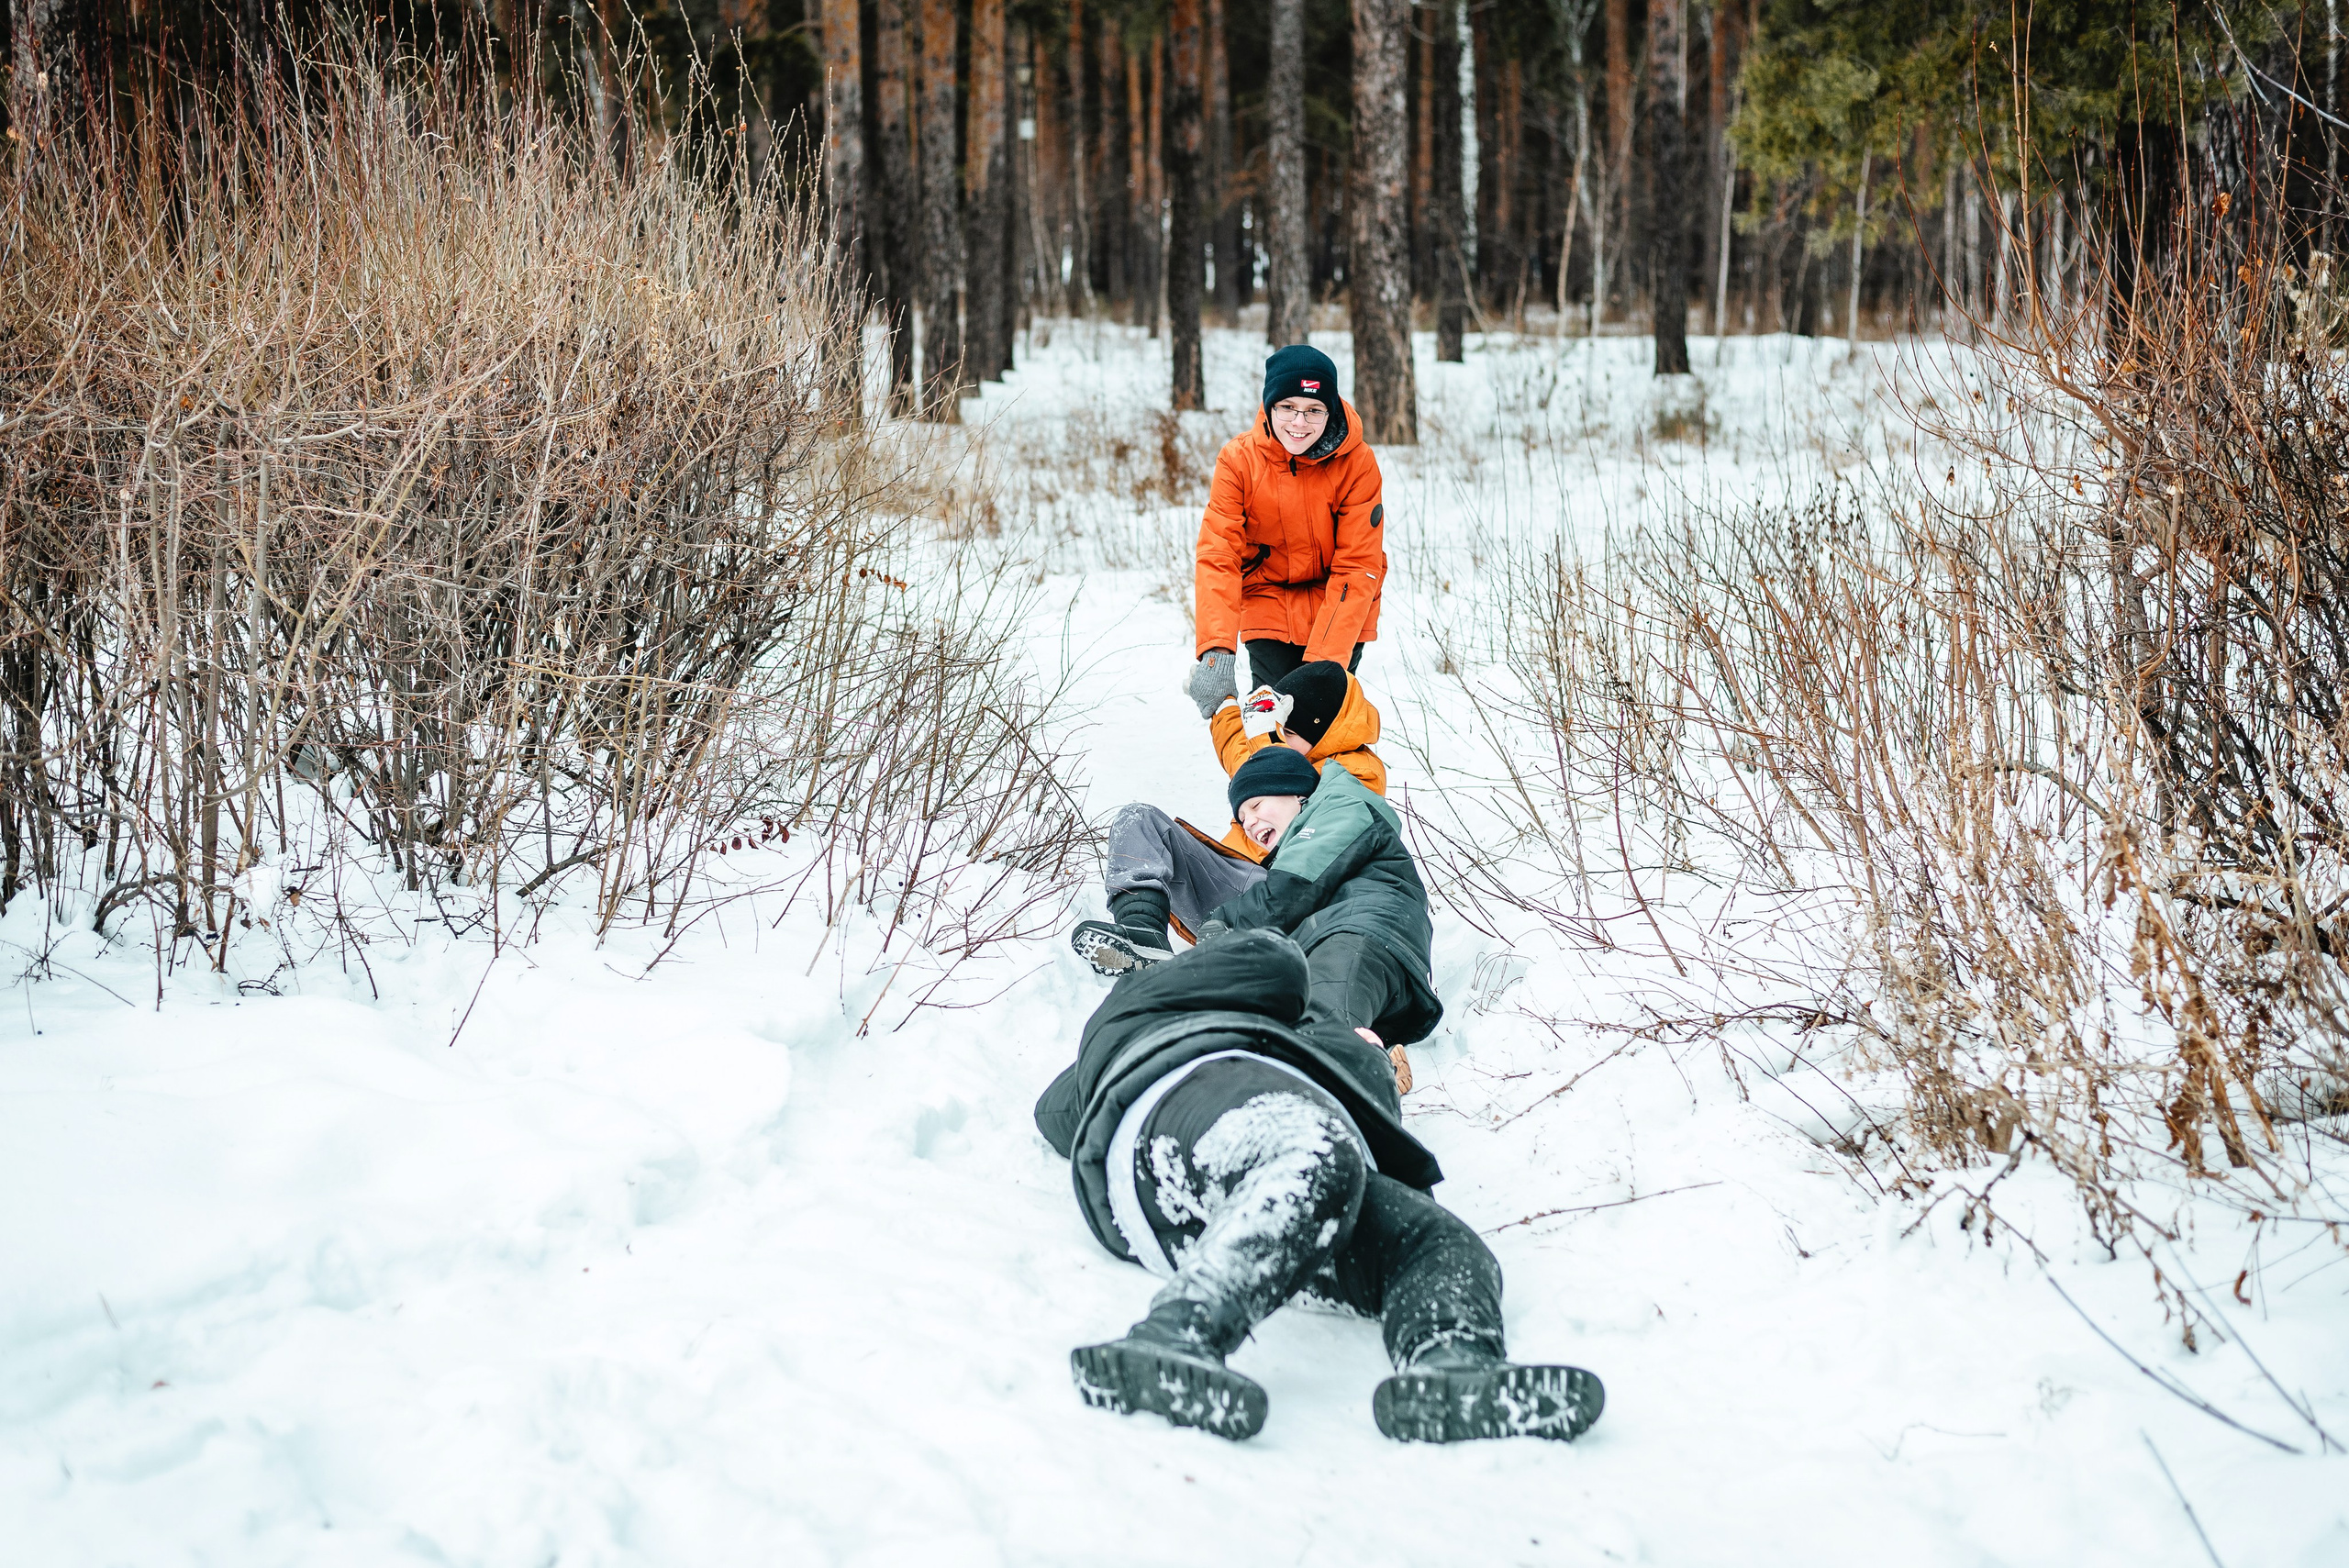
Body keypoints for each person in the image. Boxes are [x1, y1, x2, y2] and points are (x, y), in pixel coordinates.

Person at [1032, 927, 1605, 1443]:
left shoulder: (1301, 1050)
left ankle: (1452, 1365)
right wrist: (1325, 1024)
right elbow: (1276, 961)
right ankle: (1176, 1333)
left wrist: (1364, 1059)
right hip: (1188, 1111)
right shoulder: (1159, 1006)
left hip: (1255, 1209)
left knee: (1440, 1243)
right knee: (1311, 1153)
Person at [1070, 668, 1441, 1061]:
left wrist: (1266, 739)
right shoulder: (1276, 784)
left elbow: (1300, 877)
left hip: (1311, 910)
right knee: (1140, 819)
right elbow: (1248, 762)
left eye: (1287, 734)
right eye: (1243, 814)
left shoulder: (1348, 781)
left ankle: (1357, 1070)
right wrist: (1223, 706)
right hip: (1257, 904)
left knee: (1319, 1023)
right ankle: (1142, 932)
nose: (1248, 822)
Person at [1186, 346, 1386, 721]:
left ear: (1332, 410)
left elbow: (1358, 563)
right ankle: (1263, 776)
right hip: (1268, 598)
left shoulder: (1358, 463)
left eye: (1314, 410)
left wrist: (1320, 671)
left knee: (1319, 722)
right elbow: (1218, 556)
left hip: (1339, 601)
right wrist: (1216, 651)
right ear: (1269, 406)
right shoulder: (1238, 461)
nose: (1299, 422)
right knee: (1270, 721)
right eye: (1287, 407)